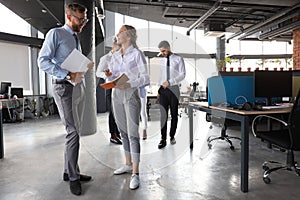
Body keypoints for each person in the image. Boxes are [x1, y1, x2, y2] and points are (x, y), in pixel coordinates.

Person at [37, 3, 92, 196]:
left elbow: (72, 61)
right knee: (73, 132)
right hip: (63, 87)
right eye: (80, 19)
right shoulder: (56, 34)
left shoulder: (75, 37)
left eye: (85, 19)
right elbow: (42, 60)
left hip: (78, 88)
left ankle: (70, 171)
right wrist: (67, 74)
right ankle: (73, 178)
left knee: (74, 131)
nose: (83, 23)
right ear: (69, 17)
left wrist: (84, 65)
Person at [106, 25, 150, 190]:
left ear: (128, 36)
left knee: (133, 134)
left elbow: (145, 78)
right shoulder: (116, 55)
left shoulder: (137, 54)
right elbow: (114, 74)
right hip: (116, 94)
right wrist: (110, 75)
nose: (117, 34)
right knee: (123, 132)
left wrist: (129, 83)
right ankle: (127, 164)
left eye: (121, 32)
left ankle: (135, 173)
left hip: (130, 94)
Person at [157, 40, 186, 149]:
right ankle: (163, 139)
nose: (163, 53)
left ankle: (172, 136)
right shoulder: (162, 61)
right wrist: (159, 90)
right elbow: (161, 76)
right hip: (163, 90)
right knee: (163, 115)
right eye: (161, 52)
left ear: (168, 48)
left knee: (174, 115)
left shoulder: (179, 59)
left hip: (174, 89)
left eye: (164, 51)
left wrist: (170, 82)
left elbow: (183, 75)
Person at [96, 38, 122, 145]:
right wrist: (105, 75)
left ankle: (118, 132)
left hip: (120, 87)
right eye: (119, 48)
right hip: (110, 87)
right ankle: (113, 135)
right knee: (113, 112)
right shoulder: (105, 58)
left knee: (119, 111)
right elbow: (98, 73)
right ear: (113, 46)